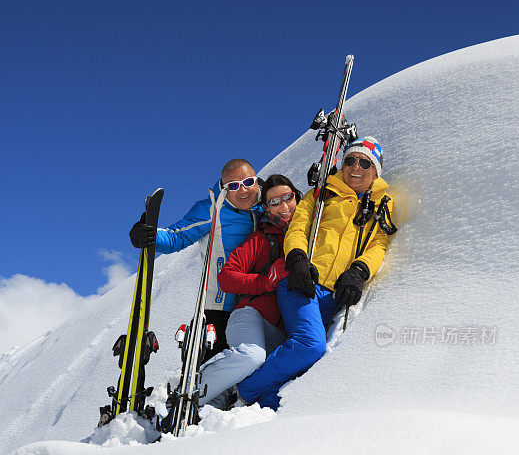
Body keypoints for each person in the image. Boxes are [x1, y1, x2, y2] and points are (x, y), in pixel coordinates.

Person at [237, 137, 396, 410]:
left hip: (334, 294)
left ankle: (261, 406)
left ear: (375, 171)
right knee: (311, 345)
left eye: (364, 162)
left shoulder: (381, 204)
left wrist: (359, 271)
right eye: (350, 160)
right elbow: (298, 226)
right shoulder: (323, 193)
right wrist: (297, 258)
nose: (355, 167)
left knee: (308, 362)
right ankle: (246, 389)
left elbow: (378, 243)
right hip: (301, 282)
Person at [129, 159, 260, 355]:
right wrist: (150, 235)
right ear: (224, 188)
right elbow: (178, 235)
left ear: (257, 180)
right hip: (220, 308)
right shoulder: (211, 210)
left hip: (258, 306)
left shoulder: (268, 205)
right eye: (233, 186)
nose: (243, 191)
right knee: (210, 373)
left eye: (248, 182)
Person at [197, 174, 301, 407]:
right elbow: (227, 277)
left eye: (288, 198)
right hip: (250, 315)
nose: (283, 206)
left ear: (297, 197)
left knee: (234, 392)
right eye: (274, 202)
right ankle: (189, 391)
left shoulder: (311, 235)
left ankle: (201, 419)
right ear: (266, 208)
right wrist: (265, 282)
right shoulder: (263, 239)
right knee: (252, 356)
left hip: (282, 331)